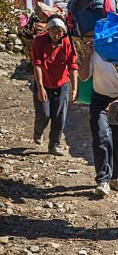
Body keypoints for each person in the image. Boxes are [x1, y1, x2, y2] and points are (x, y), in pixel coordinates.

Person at [77, 37, 118, 198]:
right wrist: (88, 54)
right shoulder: (97, 51)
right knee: (102, 136)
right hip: (100, 99)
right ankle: (103, 180)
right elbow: (83, 76)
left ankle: (116, 177)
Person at [31, 14, 78, 155]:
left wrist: (74, 89)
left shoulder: (67, 43)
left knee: (59, 115)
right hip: (43, 82)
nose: (57, 34)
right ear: (48, 30)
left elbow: (72, 65)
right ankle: (38, 131)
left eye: (60, 31)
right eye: (54, 30)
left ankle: (54, 145)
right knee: (44, 114)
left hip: (62, 83)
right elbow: (37, 65)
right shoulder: (38, 41)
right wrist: (40, 88)